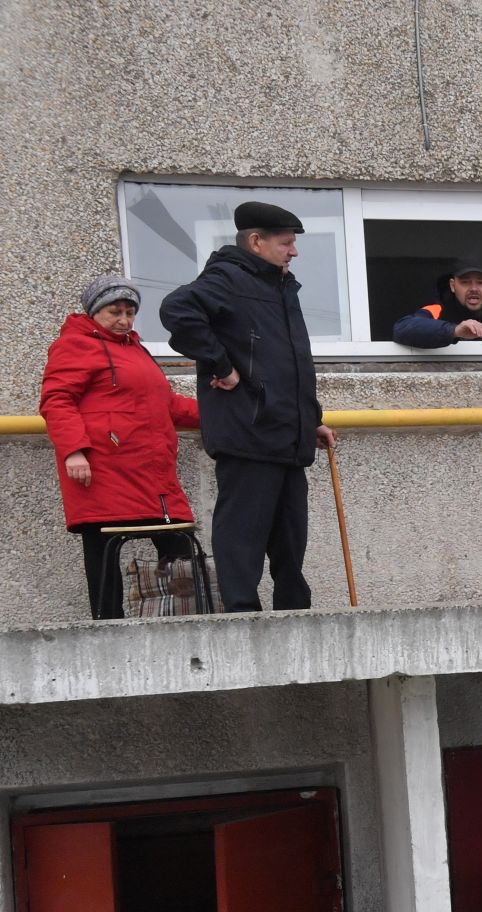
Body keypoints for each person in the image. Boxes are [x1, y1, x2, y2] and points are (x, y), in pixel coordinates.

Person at [160, 200, 333, 612]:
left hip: (286, 436)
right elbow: (177, 310)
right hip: (248, 431)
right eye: (286, 243)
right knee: (244, 535)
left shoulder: (279, 285)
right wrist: (222, 366)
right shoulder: (229, 277)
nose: (293, 251)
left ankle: (295, 613)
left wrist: (312, 419)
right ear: (256, 242)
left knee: (291, 537)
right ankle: (241, 616)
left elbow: (284, 362)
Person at [39, 275, 201, 619]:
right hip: (104, 471)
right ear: (95, 312)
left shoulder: (135, 350)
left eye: (130, 312)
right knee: (103, 551)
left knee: (181, 549)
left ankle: (184, 622)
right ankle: (107, 626)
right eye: (115, 311)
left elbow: (167, 405)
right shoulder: (75, 345)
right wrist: (74, 450)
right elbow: (57, 400)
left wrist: (222, 413)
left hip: (151, 472)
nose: (124, 320)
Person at [392, 256, 482, 348]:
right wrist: (454, 331)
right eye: (465, 282)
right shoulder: (439, 309)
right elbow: (402, 328)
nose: (473, 289)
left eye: (480, 283)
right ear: (453, 285)